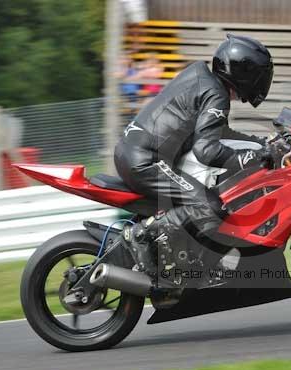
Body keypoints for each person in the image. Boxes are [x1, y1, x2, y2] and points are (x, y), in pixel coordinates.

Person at [114, 34, 274, 256]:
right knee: (210, 207)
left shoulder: (201, 76)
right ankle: (141, 234)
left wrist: (261, 143)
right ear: (243, 72)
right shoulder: (216, 95)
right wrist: (253, 156)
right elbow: (206, 151)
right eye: (258, 74)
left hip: (134, 152)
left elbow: (217, 131)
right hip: (146, 161)